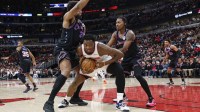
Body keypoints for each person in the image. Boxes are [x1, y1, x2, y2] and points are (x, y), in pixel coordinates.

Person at [58, 34, 130, 111]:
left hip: (104, 62)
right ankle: (66, 100)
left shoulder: (101, 48)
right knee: (75, 82)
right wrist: (82, 65)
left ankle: (120, 102)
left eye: (90, 45)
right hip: (91, 65)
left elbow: (120, 54)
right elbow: (81, 58)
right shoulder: (80, 49)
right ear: (83, 44)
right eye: (86, 45)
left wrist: (104, 63)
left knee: (119, 70)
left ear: (94, 43)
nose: (88, 47)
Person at [43, 0, 90, 112]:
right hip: (62, 49)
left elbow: (81, 43)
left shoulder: (82, 25)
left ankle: (75, 97)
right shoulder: (68, 17)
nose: (81, 10)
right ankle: (49, 102)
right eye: (79, 9)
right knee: (66, 71)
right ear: (73, 10)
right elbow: (78, 5)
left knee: (84, 72)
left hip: (73, 51)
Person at [107, 16, 156, 107]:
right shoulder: (115, 34)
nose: (117, 24)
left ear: (124, 23)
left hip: (135, 57)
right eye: (116, 22)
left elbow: (125, 48)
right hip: (126, 59)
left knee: (137, 75)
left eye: (119, 22)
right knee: (119, 77)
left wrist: (112, 56)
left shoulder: (130, 33)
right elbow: (108, 46)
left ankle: (151, 98)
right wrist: (103, 52)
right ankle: (123, 97)